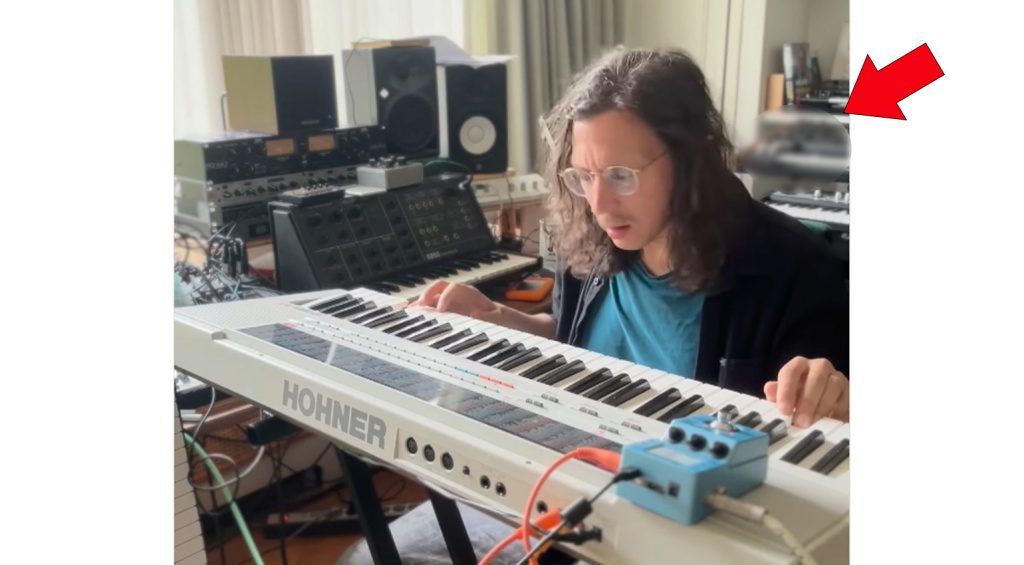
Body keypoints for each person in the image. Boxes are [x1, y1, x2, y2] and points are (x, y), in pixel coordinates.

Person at [339, 46, 848, 565]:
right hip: (561, 477)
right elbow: (574, 340)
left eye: (621, 175)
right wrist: (498, 321)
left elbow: (824, 438)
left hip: (674, 524)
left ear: (690, 160)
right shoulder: (592, 239)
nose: (599, 204)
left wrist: (832, 393)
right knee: (369, 558)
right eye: (584, 176)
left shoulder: (794, 269)